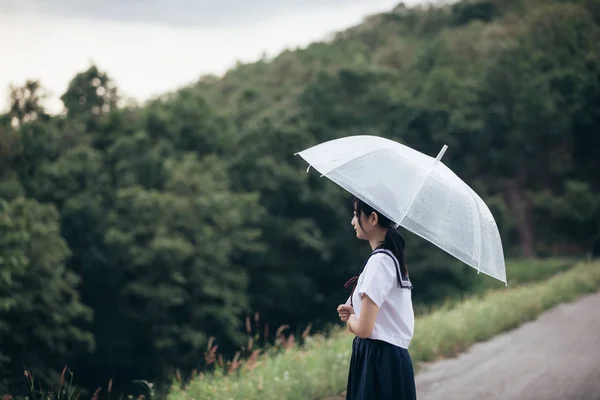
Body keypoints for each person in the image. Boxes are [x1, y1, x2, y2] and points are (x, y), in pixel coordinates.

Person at [337, 197, 417, 400]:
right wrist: (357, 312)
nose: (352, 222)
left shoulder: (380, 261)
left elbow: (364, 329)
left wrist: (352, 320)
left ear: (373, 218)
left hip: (379, 362)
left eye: (356, 215)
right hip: (388, 360)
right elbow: (384, 317)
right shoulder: (389, 258)